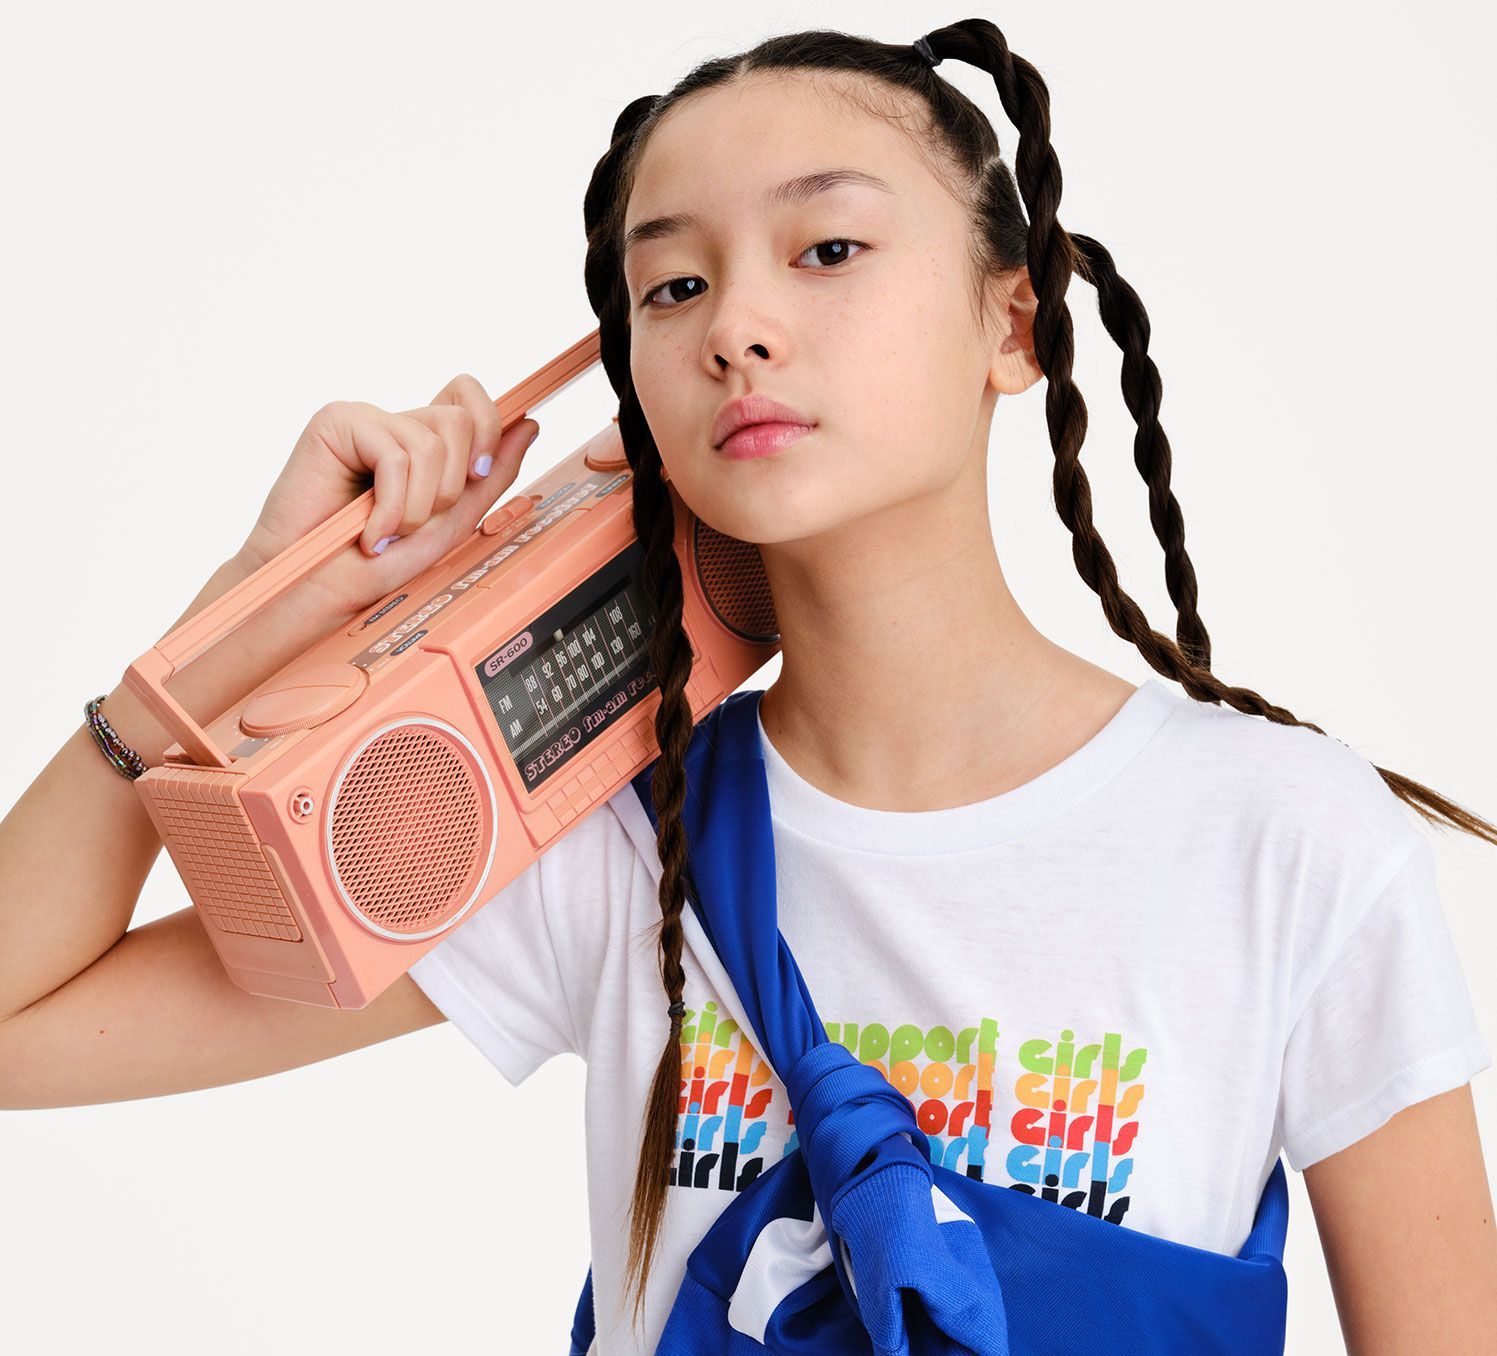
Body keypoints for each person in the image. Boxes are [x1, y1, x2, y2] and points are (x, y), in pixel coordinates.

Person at [1, 16, 1493, 1356]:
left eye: (826, 249)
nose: (734, 327)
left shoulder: (1283, 839)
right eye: (674, 284)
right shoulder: (604, 841)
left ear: (1014, 323)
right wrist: (245, 620)